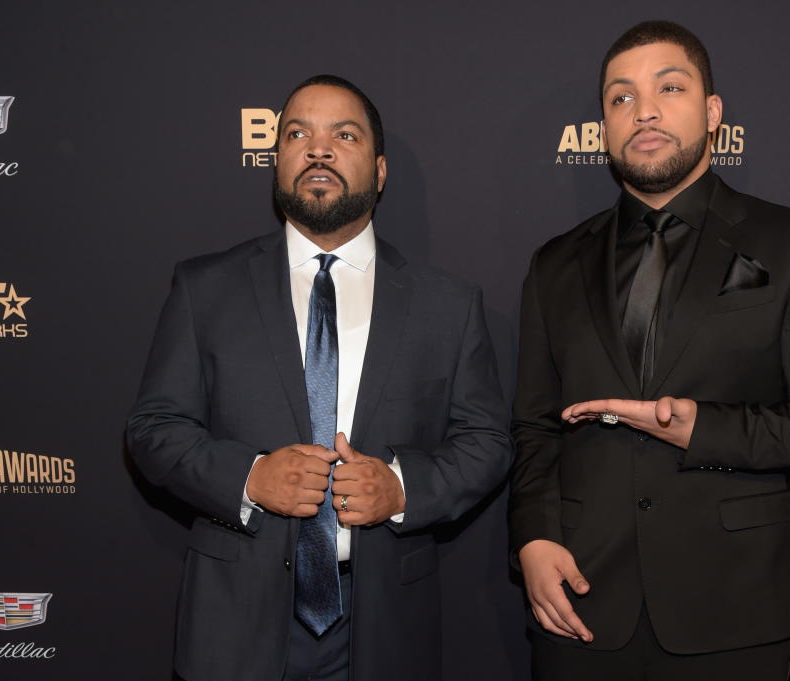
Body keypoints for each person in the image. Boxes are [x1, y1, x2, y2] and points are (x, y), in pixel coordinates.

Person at [509, 21, 790, 680]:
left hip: (735, 609)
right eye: (620, 98)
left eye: (668, 88)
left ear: (711, 113)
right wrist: (533, 537)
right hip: (581, 608)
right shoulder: (554, 264)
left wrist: (702, 427)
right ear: (603, 128)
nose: (642, 109)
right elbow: (534, 426)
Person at [127, 74, 512, 681]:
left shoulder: (449, 305)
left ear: (380, 171)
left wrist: (402, 488)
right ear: (276, 160)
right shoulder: (206, 289)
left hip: (385, 625)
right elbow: (154, 430)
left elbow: (487, 442)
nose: (318, 148)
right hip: (235, 623)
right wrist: (252, 477)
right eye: (297, 133)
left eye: (344, 135)